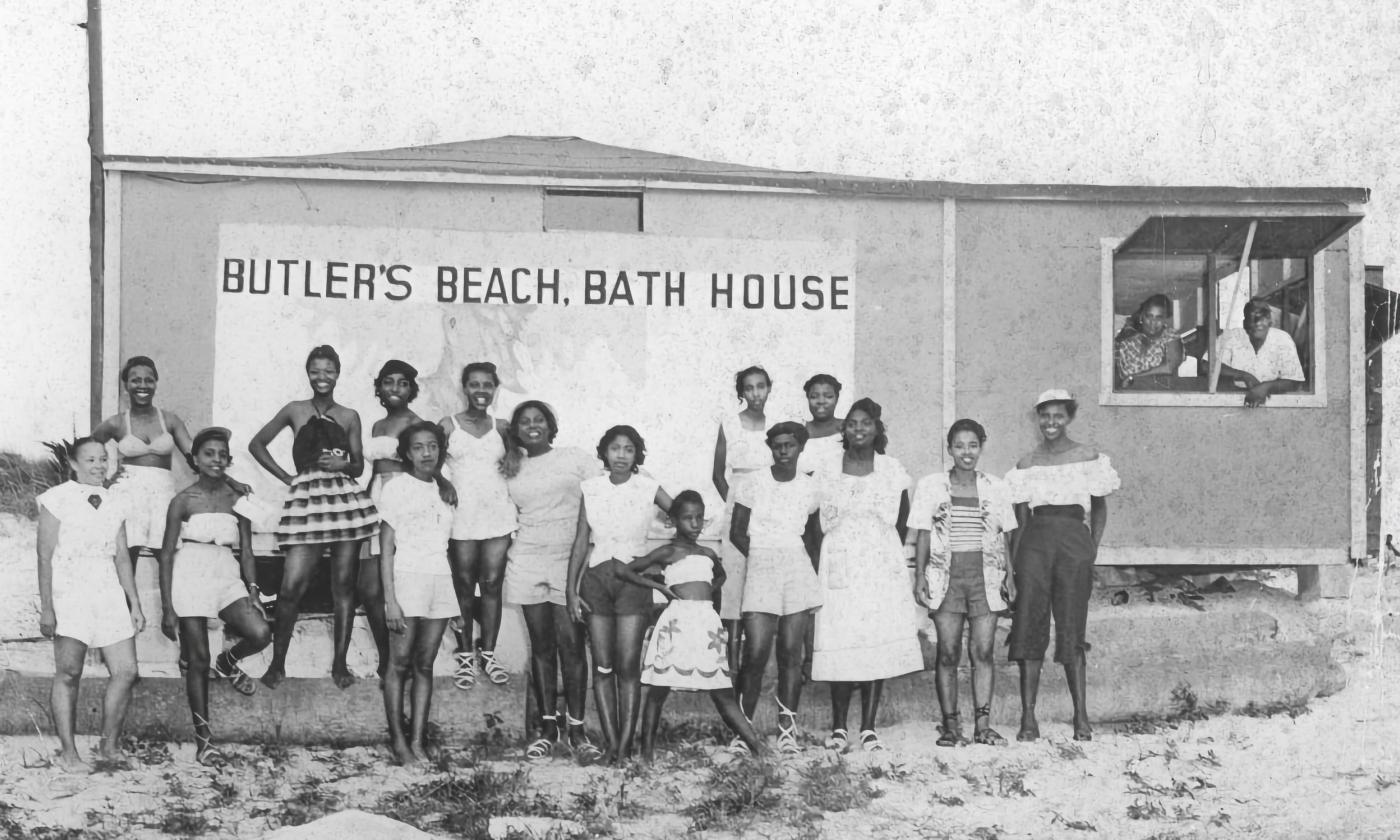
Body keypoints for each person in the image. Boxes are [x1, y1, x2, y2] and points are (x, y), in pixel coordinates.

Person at [249, 344, 379, 689]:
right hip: (307, 500)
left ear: (338, 373)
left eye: (329, 371)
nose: (322, 377)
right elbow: (257, 444)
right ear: (308, 373)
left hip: (342, 501)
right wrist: (288, 478)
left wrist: (344, 465)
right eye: (316, 371)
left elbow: (358, 464)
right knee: (291, 586)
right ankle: (277, 664)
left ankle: (339, 664)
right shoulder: (294, 410)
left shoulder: (350, 415)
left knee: (343, 587)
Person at [1004, 389, 1120, 742]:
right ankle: (1028, 718)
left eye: (1058, 415)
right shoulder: (1027, 463)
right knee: (1030, 622)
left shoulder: (1088, 456)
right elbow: (1019, 520)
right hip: (1035, 544)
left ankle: (1080, 717)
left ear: (1069, 417)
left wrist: (1091, 546)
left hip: (1073, 541)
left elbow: (1099, 507)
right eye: (1044, 415)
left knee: (1072, 624)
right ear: (1037, 418)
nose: (1050, 422)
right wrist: (1013, 567)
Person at [810, 398, 923, 753]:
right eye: (853, 424)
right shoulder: (828, 468)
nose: (859, 429)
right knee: (841, 636)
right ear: (844, 430)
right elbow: (815, 521)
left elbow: (903, 518)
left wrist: (884, 557)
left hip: (878, 562)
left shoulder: (890, 469)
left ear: (877, 429)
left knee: (875, 636)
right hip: (839, 558)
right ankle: (840, 726)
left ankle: (869, 727)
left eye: (866, 423)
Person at [622, 491, 768, 763]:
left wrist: (708, 596)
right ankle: (646, 755)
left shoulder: (708, 553)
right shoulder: (668, 551)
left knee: (723, 691)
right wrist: (660, 587)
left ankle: (759, 749)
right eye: (688, 518)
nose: (695, 524)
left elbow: (721, 576)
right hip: (677, 623)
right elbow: (627, 570)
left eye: (699, 517)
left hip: (705, 624)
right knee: (658, 689)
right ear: (674, 520)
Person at [157, 427, 272, 766]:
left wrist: (253, 591)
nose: (217, 460)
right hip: (190, 571)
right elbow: (165, 555)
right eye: (209, 453)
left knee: (260, 632)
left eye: (222, 454)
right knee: (197, 659)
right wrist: (167, 608)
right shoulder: (182, 501)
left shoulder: (238, 500)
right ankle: (204, 740)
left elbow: (248, 551)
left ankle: (229, 661)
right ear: (194, 459)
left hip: (225, 570)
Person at [499, 400, 602, 763]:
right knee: (541, 648)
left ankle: (577, 728)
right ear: (517, 429)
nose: (532, 426)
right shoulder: (511, 467)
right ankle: (547, 728)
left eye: (538, 420)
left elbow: (612, 491)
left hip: (567, 562)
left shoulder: (574, 458)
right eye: (524, 421)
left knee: (572, 646)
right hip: (527, 559)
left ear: (550, 425)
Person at [36, 438, 145, 772]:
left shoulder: (117, 501)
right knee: (69, 672)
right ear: (73, 463)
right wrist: (47, 607)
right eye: (90, 460)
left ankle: (109, 747)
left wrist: (135, 602)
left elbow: (123, 557)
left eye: (103, 459)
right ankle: (69, 753)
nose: (99, 466)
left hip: (108, 588)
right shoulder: (57, 499)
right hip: (70, 588)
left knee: (126, 671)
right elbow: (44, 556)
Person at [568, 425, 673, 764]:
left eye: (629, 449)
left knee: (628, 666)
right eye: (615, 448)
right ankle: (612, 745)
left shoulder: (648, 487)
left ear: (637, 454)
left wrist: (658, 563)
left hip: (632, 579)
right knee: (602, 666)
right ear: (605, 452)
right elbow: (582, 541)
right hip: (596, 579)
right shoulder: (591, 488)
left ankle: (626, 746)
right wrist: (571, 591)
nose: (621, 456)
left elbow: (682, 515)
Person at [911, 419, 1017, 748]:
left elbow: (1006, 536)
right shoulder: (932, 485)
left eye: (972, 445)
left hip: (985, 576)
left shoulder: (996, 486)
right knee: (947, 652)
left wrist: (1011, 577)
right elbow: (924, 535)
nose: (966, 452)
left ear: (982, 446)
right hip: (946, 576)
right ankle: (950, 726)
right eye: (959, 446)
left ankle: (983, 726)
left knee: (983, 651)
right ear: (950, 449)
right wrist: (919, 577)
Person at [92, 356, 249, 574]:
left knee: (166, 552)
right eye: (135, 380)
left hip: (161, 490)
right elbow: (88, 449)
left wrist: (231, 482)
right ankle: (127, 608)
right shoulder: (116, 422)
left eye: (149, 380)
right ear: (126, 385)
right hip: (127, 490)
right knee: (128, 554)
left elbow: (196, 459)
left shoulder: (170, 420)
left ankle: (173, 607)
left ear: (156, 383)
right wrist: (103, 481)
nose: (142, 385)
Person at [731, 421, 821, 755]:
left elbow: (813, 535)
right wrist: (760, 557)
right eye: (778, 445)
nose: (783, 451)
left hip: (796, 565)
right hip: (762, 564)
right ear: (771, 448)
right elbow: (737, 531)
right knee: (754, 652)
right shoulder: (753, 482)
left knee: (789, 652)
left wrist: (803, 565)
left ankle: (787, 729)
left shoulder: (810, 487)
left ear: (800, 448)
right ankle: (744, 730)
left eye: (790, 445)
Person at [363, 360, 455, 679]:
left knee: (400, 576)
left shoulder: (416, 422)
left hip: (402, 498)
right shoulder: (376, 425)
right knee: (370, 588)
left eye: (403, 383)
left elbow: (428, 464)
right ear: (380, 387)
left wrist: (444, 483)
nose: (395, 389)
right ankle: (388, 654)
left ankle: (399, 660)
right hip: (375, 496)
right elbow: (375, 468)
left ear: (412, 389)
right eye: (388, 382)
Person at [378, 422, 457, 766]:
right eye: (418, 447)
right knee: (398, 664)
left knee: (425, 665)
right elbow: (385, 548)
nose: (427, 453)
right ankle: (398, 743)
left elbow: (448, 545)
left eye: (433, 446)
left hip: (440, 579)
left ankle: (418, 741)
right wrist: (389, 600)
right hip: (407, 578)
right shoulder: (396, 488)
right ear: (407, 454)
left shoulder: (446, 489)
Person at [439, 361, 517, 689]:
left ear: (495, 388)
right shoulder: (448, 424)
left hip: (497, 514)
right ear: (465, 388)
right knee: (463, 584)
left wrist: (514, 456)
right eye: (474, 384)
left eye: (487, 384)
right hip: (462, 515)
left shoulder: (503, 426)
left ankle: (488, 652)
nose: (481, 390)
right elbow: (427, 459)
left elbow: (514, 460)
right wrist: (442, 483)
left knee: (492, 584)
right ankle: (465, 654)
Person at [712, 365, 773, 674]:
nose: (756, 393)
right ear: (741, 393)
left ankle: (755, 663)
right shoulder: (730, 424)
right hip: (738, 509)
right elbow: (718, 475)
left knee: (762, 581)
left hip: (768, 509)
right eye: (749, 388)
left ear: (769, 388)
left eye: (761, 386)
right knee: (734, 585)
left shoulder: (776, 424)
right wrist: (734, 511)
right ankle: (731, 665)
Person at [1216, 298, 1305, 407]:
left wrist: (1265, 387)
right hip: (1233, 401)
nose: (1258, 322)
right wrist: (1244, 375)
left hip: (1274, 404)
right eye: (1252, 317)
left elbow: (1294, 381)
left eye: (1264, 316)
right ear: (1244, 323)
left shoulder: (1282, 339)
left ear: (1270, 322)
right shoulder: (1231, 336)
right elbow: (1206, 366)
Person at [1114, 294, 1184, 389]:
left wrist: (1133, 377)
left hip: (1161, 392)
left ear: (1165, 319)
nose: (1153, 322)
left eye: (1158, 317)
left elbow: (1169, 367)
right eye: (1149, 316)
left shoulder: (1170, 335)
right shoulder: (1127, 341)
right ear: (1142, 316)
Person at [799, 373, 844, 470]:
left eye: (828, 396)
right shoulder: (799, 429)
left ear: (836, 399)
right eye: (814, 396)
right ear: (808, 399)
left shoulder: (848, 428)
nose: (821, 401)